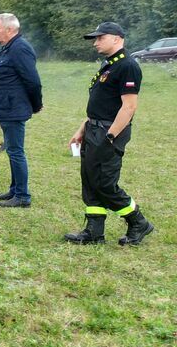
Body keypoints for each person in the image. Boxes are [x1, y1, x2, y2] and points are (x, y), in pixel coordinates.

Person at [65, 22, 154, 245]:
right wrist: (82, 129)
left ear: (116, 38)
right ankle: (94, 231)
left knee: (105, 182)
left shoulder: (127, 66)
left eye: (100, 38)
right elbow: (101, 103)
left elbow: (129, 107)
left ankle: (138, 222)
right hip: (94, 128)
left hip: (109, 130)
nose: (95, 43)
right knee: (90, 179)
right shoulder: (109, 65)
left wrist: (110, 136)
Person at [0, 13, 42, 208]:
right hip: (7, 107)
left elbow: (32, 80)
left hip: (14, 108)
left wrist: (36, 105)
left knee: (16, 151)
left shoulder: (20, 48)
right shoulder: (9, 48)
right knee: (11, 150)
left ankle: (23, 196)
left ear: (10, 29)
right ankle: (14, 190)